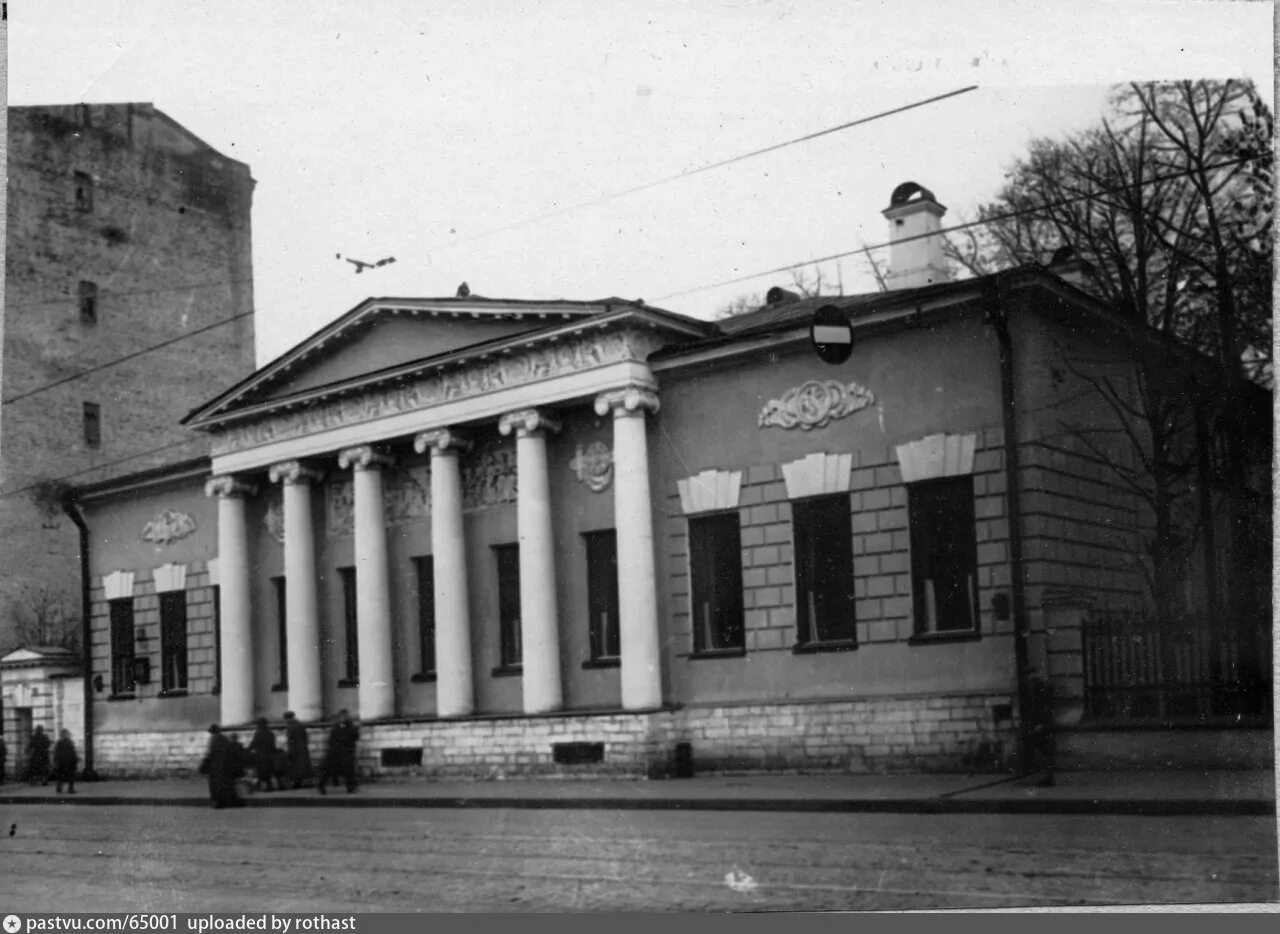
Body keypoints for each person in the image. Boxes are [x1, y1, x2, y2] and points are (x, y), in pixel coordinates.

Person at [1024, 670, 1057, 787]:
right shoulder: (1044, 689)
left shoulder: (1041, 693)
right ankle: (1047, 777)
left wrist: (1041, 724)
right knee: (1045, 752)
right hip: (1043, 724)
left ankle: (1047, 777)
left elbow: (1045, 709)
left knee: (1043, 751)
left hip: (1042, 725)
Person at [316, 709, 359, 795]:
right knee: (328, 771)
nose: (344, 718)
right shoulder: (336, 727)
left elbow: (355, 737)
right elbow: (332, 739)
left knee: (348, 771)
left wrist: (356, 728)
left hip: (346, 752)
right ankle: (321, 786)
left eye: (345, 716)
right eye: (342, 716)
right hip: (335, 752)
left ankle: (350, 788)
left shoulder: (351, 726)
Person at [202, 724, 243, 809]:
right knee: (225, 783)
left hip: (216, 765)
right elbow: (230, 751)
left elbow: (210, 753)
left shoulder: (213, 739)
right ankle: (226, 801)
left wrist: (205, 762)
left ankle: (218, 802)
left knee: (215, 785)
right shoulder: (225, 738)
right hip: (225, 765)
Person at [248, 716, 281, 792]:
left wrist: (248, 749)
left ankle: (265, 786)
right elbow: (272, 744)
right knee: (269, 770)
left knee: (262, 771)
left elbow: (254, 743)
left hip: (261, 755)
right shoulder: (270, 732)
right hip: (270, 754)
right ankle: (266, 786)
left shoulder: (258, 732)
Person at [283, 711, 313, 789]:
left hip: (295, 750)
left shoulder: (290, 727)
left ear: (288, 718)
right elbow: (306, 737)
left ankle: (297, 783)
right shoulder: (301, 725)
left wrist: (290, 750)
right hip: (303, 748)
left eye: (285, 719)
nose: (285, 721)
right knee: (303, 767)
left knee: (295, 768)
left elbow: (291, 740)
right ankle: (305, 782)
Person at [52, 729, 79, 794]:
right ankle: (66, 788)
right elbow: (57, 752)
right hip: (65, 762)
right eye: (65, 734)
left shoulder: (64, 742)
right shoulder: (63, 742)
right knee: (66, 776)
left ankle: (65, 788)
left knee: (65, 776)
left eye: (67, 734)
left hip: (66, 762)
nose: (66, 735)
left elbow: (72, 752)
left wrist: (75, 758)